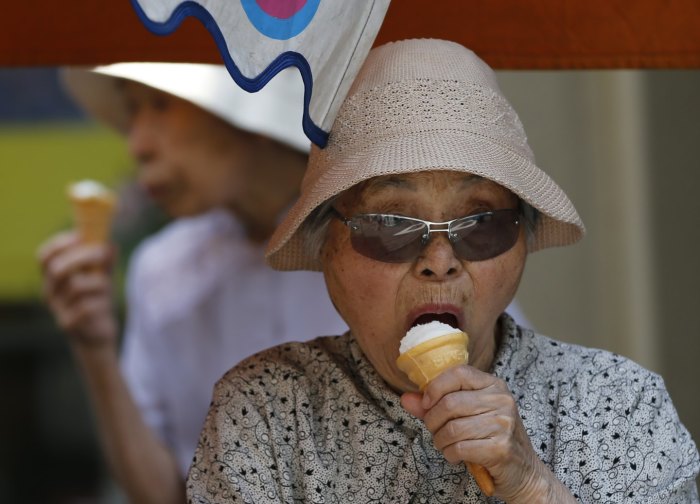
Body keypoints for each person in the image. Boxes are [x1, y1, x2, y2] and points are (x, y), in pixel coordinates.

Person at [187, 40, 700, 503]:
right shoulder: (266, 412)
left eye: (481, 222)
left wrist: (532, 485)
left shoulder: (617, 403)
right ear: (327, 250)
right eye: (390, 224)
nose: (439, 260)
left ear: (520, 240)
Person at [37, 63, 348, 504]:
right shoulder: (161, 269)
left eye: (160, 105)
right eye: (131, 110)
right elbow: (160, 493)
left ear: (253, 106)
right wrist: (94, 345)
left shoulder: (376, 247)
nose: (138, 144)